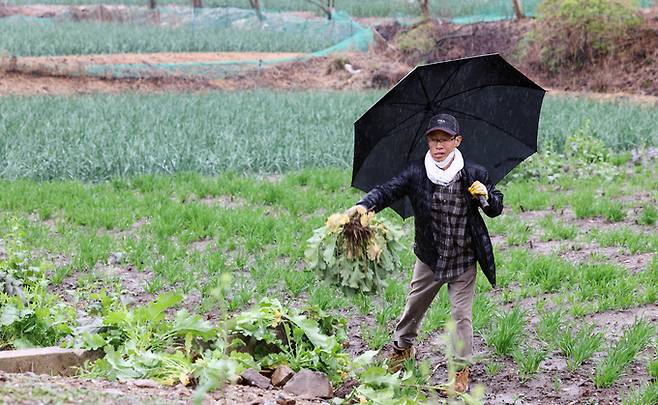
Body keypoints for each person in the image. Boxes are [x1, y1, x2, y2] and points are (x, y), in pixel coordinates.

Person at [347, 113, 503, 393]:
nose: (439, 145)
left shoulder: (474, 173)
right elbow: (387, 190)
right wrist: (364, 206)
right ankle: (402, 349)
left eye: (445, 139)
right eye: (433, 139)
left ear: (457, 141)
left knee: (460, 316)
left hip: (464, 257)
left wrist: (486, 198)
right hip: (430, 257)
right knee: (414, 307)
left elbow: (495, 207)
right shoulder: (417, 172)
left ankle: (460, 371)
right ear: (427, 141)